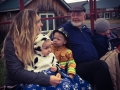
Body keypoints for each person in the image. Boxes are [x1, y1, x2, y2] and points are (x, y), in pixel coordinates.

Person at [55, 6, 114, 90]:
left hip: (92, 62)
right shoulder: (64, 29)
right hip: (76, 65)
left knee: (115, 58)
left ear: (84, 16)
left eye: (78, 15)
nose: (75, 17)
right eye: (73, 15)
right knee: (100, 65)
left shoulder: (86, 30)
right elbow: (53, 41)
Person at [1, 9, 62, 90]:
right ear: (28, 25)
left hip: (40, 76)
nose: (42, 24)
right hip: (19, 84)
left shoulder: (37, 38)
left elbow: (48, 59)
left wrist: (57, 72)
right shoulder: (11, 43)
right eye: (38, 21)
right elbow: (16, 72)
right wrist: (47, 79)